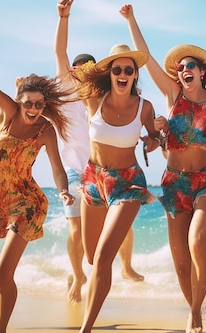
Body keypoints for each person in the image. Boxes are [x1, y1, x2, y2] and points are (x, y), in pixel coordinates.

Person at [0, 21, 74, 333]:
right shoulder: (8, 112)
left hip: (26, 203)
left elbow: (58, 169)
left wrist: (63, 190)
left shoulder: (46, 130)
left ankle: (1, 330)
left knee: (3, 276)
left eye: (39, 103)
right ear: (19, 102)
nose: (34, 108)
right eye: (28, 103)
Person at [120, 4, 206, 333]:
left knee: (197, 243)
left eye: (190, 66)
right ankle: (194, 308)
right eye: (181, 67)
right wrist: (130, 19)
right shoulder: (172, 93)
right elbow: (144, 55)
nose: (184, 70)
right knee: (180, 256)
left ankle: (195, 315)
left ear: (201, 71)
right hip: (173, 184)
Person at [53, 0, 145, 304]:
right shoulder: (67, 90)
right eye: (78, 68)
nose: (81, 71)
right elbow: (60, 54)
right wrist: (63, 18)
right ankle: (78, 276)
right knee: (78, 233)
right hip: (76, 169)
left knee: (120, 224)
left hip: (105, 171)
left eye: (88, 67)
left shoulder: (103, 98)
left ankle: (127, 266)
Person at [73, 40, 161, 333]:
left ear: (135, 75)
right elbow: (64, 62)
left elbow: (153, 138)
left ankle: (86, 328)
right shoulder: (93, 100)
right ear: (109, 73)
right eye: (117, 69)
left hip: (128, 183)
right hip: (94, 180)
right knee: (90, 256)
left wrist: (152, 141)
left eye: (129, 70)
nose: (122, 74)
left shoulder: (144, 107)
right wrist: (64, 17)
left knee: (102, 258)